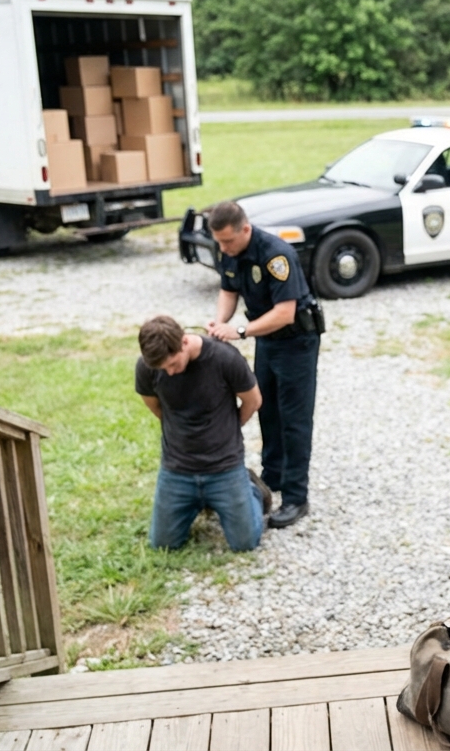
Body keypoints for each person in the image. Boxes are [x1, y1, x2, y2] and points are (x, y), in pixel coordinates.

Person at [205, 201, 321, 529]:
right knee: (267, 409)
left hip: (296, 341)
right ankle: (274, 479)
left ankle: (297, 498)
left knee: (294, 418)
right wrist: (219, 324)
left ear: (245, 228)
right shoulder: (229, 250)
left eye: (228, 241)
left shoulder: (275, 254)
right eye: (219, 242)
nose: (223, 248)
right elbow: (229, 289)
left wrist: (239, 331)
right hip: (266, 339)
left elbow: (285, 312)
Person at [135, 315, 265, 551]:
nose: (170, 372)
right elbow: (154, 404)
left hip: (224, 465)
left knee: (245, 543)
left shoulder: (225, 358)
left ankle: (251, 490)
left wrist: (229, 428)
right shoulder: (147, 366)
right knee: (162, 544)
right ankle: (195, 502)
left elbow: (253, 400)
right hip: (178, 468)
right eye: (164, 368)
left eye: (173, 364)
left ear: (184, 342)